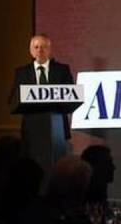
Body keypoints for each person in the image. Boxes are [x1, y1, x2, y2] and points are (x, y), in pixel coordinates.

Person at [9, 34, 74, 172]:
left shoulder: (62, 70)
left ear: (50, 50)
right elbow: (13, 100)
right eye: (36, 47)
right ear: (31, 51)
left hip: (58, 129)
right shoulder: (22, 72)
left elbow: (71, 96)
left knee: (58, 168)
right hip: (32, 129)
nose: (40, 50)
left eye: (43, 47)